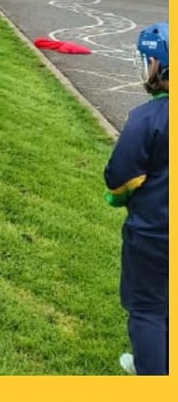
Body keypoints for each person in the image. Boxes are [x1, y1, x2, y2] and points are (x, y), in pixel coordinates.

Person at [104, 22, 168, 376]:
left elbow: (121, 177)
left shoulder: (148, 119)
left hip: (155, 233)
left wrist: (115, 197)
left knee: (148, 309)